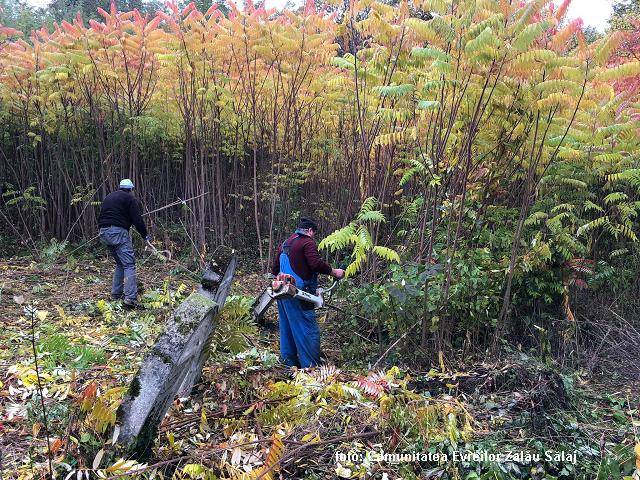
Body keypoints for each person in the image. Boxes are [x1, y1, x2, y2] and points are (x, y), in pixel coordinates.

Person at [271, 217, 345, 368]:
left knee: (287, 331)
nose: (314, 237)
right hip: (299, 295)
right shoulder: (307, 241)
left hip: (282, 293)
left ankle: (289, 367)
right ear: (310, 231)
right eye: (314, 233)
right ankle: (310, 370)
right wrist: (334, 272)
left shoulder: (286, 243)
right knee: (308, 330)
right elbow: (315, 263)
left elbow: (274, 269)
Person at [98, 179, 150, 309]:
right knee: (129, 264)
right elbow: (138, 220)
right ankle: (131, 298)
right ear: (131, 189)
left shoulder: (109, 197)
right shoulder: (130, 199)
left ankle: (115, 294)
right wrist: (145, 235)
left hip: (104, 232)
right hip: (118, 233)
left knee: (120, 263)